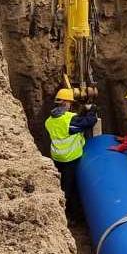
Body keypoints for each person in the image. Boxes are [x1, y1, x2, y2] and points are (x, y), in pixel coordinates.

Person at [44, 87, 97, 219]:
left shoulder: (49, 121)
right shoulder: (69, 120)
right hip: (70, 159)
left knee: (62, 184)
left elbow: (75, 125)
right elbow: (89, 122)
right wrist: (92, 110)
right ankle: (70, 216)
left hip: (57, 157)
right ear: (66, 103)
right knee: (70, 188)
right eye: (70, 103)